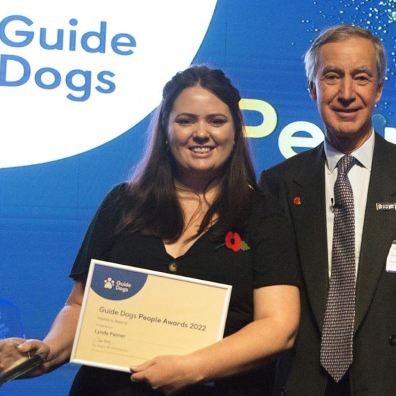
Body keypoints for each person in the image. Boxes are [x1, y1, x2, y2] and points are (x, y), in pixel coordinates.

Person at [0, 65, 300, 395]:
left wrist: (192, 367)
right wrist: (46, 353)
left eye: (216, 120)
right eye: (186, 120)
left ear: (234, 130)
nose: (201, 133)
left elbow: (278, 327)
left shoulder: (264, 213)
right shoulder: (122, 203)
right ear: (165, 128)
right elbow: (81, 306)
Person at [260, 25, 396, 395]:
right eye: (332, 76)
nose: (347, 93)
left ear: (379, 89)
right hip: (302, 383)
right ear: (312, 88)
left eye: (362, 77)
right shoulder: (279, 184)